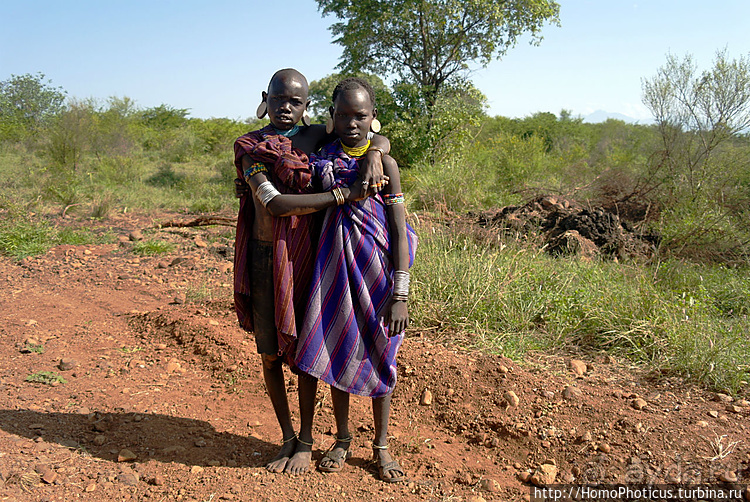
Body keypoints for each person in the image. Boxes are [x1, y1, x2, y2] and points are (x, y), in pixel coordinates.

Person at [232, 69, 389, 475]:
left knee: (305, 352)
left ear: (307, 107)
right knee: (269, 354)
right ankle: (287, 436)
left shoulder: (317, 137)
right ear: (265, 98)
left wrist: (374, 154)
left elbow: (369, 133)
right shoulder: (250, 146)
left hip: (311, 257)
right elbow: (275, 204)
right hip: (266, 255)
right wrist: (343, 194)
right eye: (280, 98)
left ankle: (305, 440)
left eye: (296, 102)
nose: (287, 107)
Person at [294, 77, 417, 483]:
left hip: (379, 275)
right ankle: (343, 438)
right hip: (335, 269)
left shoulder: (388, 167)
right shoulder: (321, 158)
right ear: (331, 117)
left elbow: (399, 231)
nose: (351, 123)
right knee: (339, 346)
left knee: (383, 355)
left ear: (373, 118)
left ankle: (381, 446)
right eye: (343, 114)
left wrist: (401, 293)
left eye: (360, 115)